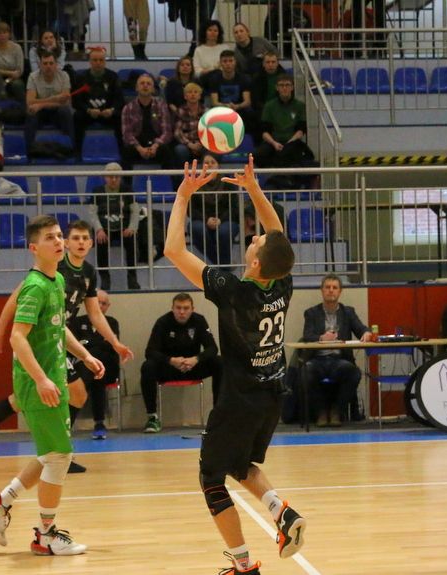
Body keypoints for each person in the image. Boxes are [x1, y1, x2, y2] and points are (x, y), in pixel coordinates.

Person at [164, 156, 304, 575]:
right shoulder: (283, 280)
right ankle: (283, 513)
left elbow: (173, 251)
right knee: (241, 466)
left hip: (240, 400)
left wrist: (182, 196)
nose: (257, 237)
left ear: (256, 262)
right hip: (272, 394)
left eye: (257, 242)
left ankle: (243, 566)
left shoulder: (233, 289)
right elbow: (277, 235)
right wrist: (254, 189)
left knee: (211, 477)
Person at [0, 220, 134, 474]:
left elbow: (92, 314)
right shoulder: (45, 274)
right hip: (41, 343)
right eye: (74, 238)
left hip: (57, 337)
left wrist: (110, 345)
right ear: (67, 243)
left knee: (29, 400)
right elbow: (17, 301)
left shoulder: (79, 274)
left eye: (84, 238)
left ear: (92, 243)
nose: (80, 242)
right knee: (63, 396)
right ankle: (57, 454)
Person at [0, 215, 103, 556]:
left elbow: (58, 328)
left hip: (54, 378)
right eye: (50, 237)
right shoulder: (35, 286)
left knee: (49, 454)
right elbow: (17, 338)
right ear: (34, 248)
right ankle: (45, 536)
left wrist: (85, 355)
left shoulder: (57, 279)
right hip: (38, 384)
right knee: (59, 457)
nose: (58, 241)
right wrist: (41, 379)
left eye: (59, 235)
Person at [139, 292, 222, 433]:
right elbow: (150, 351)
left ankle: (218, 415)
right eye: (178, 308)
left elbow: (212, 348)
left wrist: (196, 359)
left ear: (192, 309)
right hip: (169, 368)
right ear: (172, 308)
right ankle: (152, 417)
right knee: (147, 367)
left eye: (186, 308)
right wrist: (170, 360)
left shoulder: (199, 321)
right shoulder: (163, 322)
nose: (182, 312)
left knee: (220, 362)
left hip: (193, 367)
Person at [301, 274, 372, 426]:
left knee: (354, 373)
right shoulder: (311, 313)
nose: (331, 290)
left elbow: (361, 328)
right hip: (317, 360)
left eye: (334, 288)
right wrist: (322, 338)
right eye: (327, 287)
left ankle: (336, 411)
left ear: (340, 291)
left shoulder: (348, 312)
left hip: (339, 360)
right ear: (322, 290)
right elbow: (307, 336)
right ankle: (320, 412)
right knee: (306, 372)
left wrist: (366, 333)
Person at [86, 162, 150, 290]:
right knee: (100, 243)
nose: (114, 179)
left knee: (132, 242)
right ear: (105, 177)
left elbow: (135, 211)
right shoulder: (97, 191)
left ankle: (132, 279)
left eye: (117, 177)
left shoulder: (128, 190)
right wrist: (99, 229)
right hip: (104, 228)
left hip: (124, 227)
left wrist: (132, 227)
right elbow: (92, 213)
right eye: (111, 177)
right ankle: (105, 278)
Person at [68, 290, 122, 439]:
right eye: (98, 302)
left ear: (108, 306)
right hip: (83, 367)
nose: (100, 306)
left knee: (96, 370)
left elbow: (109, 346)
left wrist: (87, 345)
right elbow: (73, 346)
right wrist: (94, 345)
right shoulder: (77, 322)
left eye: (104, 303)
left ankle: (94, 423)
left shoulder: (112, 323)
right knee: (93, 375)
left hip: (108, 366)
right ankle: (98, 423)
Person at [254, 75, 314, 175]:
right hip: (273, 142)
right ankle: (274, 174)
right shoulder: (269, 106)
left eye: (287, 85)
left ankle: (284, 176)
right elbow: (264, 131)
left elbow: (301, 130)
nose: (284, 88)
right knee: (257, 155)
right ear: (277, 88)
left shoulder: (299, 106)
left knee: (306, 156)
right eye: (281, 85)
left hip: (292, 142)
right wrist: (274, 143)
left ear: (292, 87)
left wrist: (289, 143)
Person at [191, 153, 241, 265]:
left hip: (226, 219)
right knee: (196, 228)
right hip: (202, 220)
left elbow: (234, 208)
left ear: (218, 165)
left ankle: (221, 266)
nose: (209, 165)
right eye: (206, 163)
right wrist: (206, 220)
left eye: (213, 162)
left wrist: (220, 220)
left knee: (224, 232)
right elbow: (191, 210)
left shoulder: (227, 182)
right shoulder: (196, 183)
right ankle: (223, 264)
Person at [72, 47, 123, 153]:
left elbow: (119, 100)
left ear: (105, 62)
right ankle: (77, 152)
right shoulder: (80, 77)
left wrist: (111, 110)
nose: (98, 63)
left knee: (120, 117)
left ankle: (122, 151)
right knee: (77, 117)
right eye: (95, 60)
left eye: (101, 60)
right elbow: (76, 101)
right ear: (90, 62)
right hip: (88, 113)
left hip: (107, 113)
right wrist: (88, 110)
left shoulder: (113, 76)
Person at [120, 73, 176, 170]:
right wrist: (139, 148)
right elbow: (127, 134)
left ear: (153, 89)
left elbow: (167, 132)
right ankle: (126, 180)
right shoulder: (128, 108)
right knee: (126, 152)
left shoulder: (161, 106)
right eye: (142, 83)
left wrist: (155, 146)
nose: (145, 86)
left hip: (157, 145)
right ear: (136, 88)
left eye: (148, 84)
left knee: (167, 151)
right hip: (137, 145)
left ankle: (171, 180)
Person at [25, 50, 73, 149]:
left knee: (65, 111)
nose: (48, 66)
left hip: (57, 112)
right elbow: (30, 102)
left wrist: (41, 104)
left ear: (56, 64)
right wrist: (54, 98)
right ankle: (30, 149)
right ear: (40, 65)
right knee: (31, 112)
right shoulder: (33, 77)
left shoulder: (64, 76)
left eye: (51, 63)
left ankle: (70, 147)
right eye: (45, 63)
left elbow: (66, 102)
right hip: (40, 113)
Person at [204, 50, 255, 133]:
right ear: (220, 63)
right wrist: (226, 106)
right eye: (225, 61)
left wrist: (237, 106)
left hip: (239, 109)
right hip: (221, 109)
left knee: (250, 113)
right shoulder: (214, 79)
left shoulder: (244, 78)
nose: (228, 64)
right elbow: (214, 102)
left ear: (235, 62)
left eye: (231, 61)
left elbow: (247, 101)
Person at [173, 82, 207, 163]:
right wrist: (190, 144)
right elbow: (177, 132)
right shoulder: (180, 111)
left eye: (195, 92)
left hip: (202, 143)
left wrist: (200, 144)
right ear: (185, 96)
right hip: (186, 144)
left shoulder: (206, 111)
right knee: (180, 150)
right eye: (190, 92)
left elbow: (210, 131)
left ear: (199, 96)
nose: (193, 94)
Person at [251, 51, 286, 116]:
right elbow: (255, 100)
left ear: (277, 63)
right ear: (263, 64)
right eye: (268, 62)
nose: (270, 65)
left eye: (273, 62)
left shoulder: (285, 78)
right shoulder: (257, 78)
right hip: (262, 110)